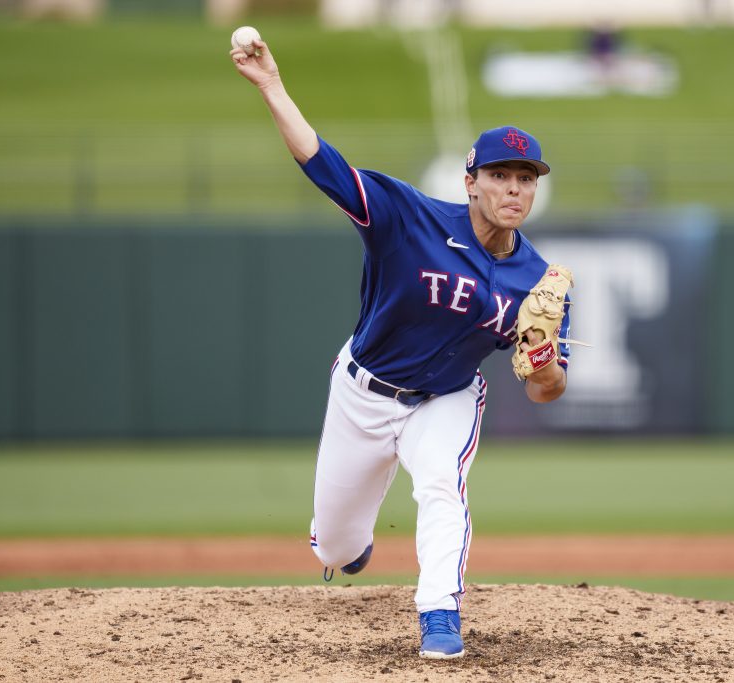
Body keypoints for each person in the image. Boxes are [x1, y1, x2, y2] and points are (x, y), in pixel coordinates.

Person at [231, 35, 571, 660]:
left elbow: (546, 391)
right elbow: (322, 162)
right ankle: (348, 547)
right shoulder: (408, 217)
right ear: (471, 181)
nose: (514, 189)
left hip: (443, 399)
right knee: (334, 548)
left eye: (526, 178)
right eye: (500, 175)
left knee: (442, 482)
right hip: (363, 392)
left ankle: (439, 615)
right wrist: (272, 86)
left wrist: (544, 360)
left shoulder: (539, 284)